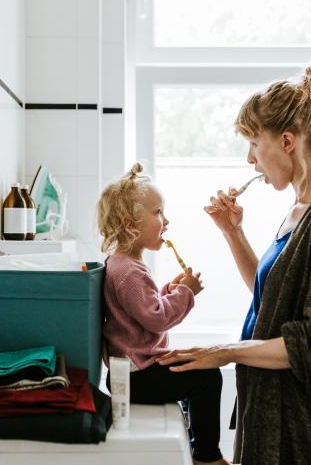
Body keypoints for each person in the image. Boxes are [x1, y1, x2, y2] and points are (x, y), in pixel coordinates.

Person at [157, 65, 311, 464]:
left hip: (304, 427)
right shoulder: (299, 210)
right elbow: (272, 298)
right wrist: (232, 233)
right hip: (268, 407)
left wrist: (225, 351)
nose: (250, 159)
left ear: (287, 141)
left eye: (254, 142)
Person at [97, 163, 231, 465]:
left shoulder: (123, 264)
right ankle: (207, 456)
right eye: (158, 213)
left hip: (134, 373)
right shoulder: (128, 271)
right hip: (138, 377)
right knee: (207, 377)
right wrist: (186, 293)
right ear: (130, 223)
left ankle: (197, 442)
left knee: (196, 367)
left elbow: (140, 309)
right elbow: (156, 318)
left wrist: (168, 289)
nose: (166, 220)